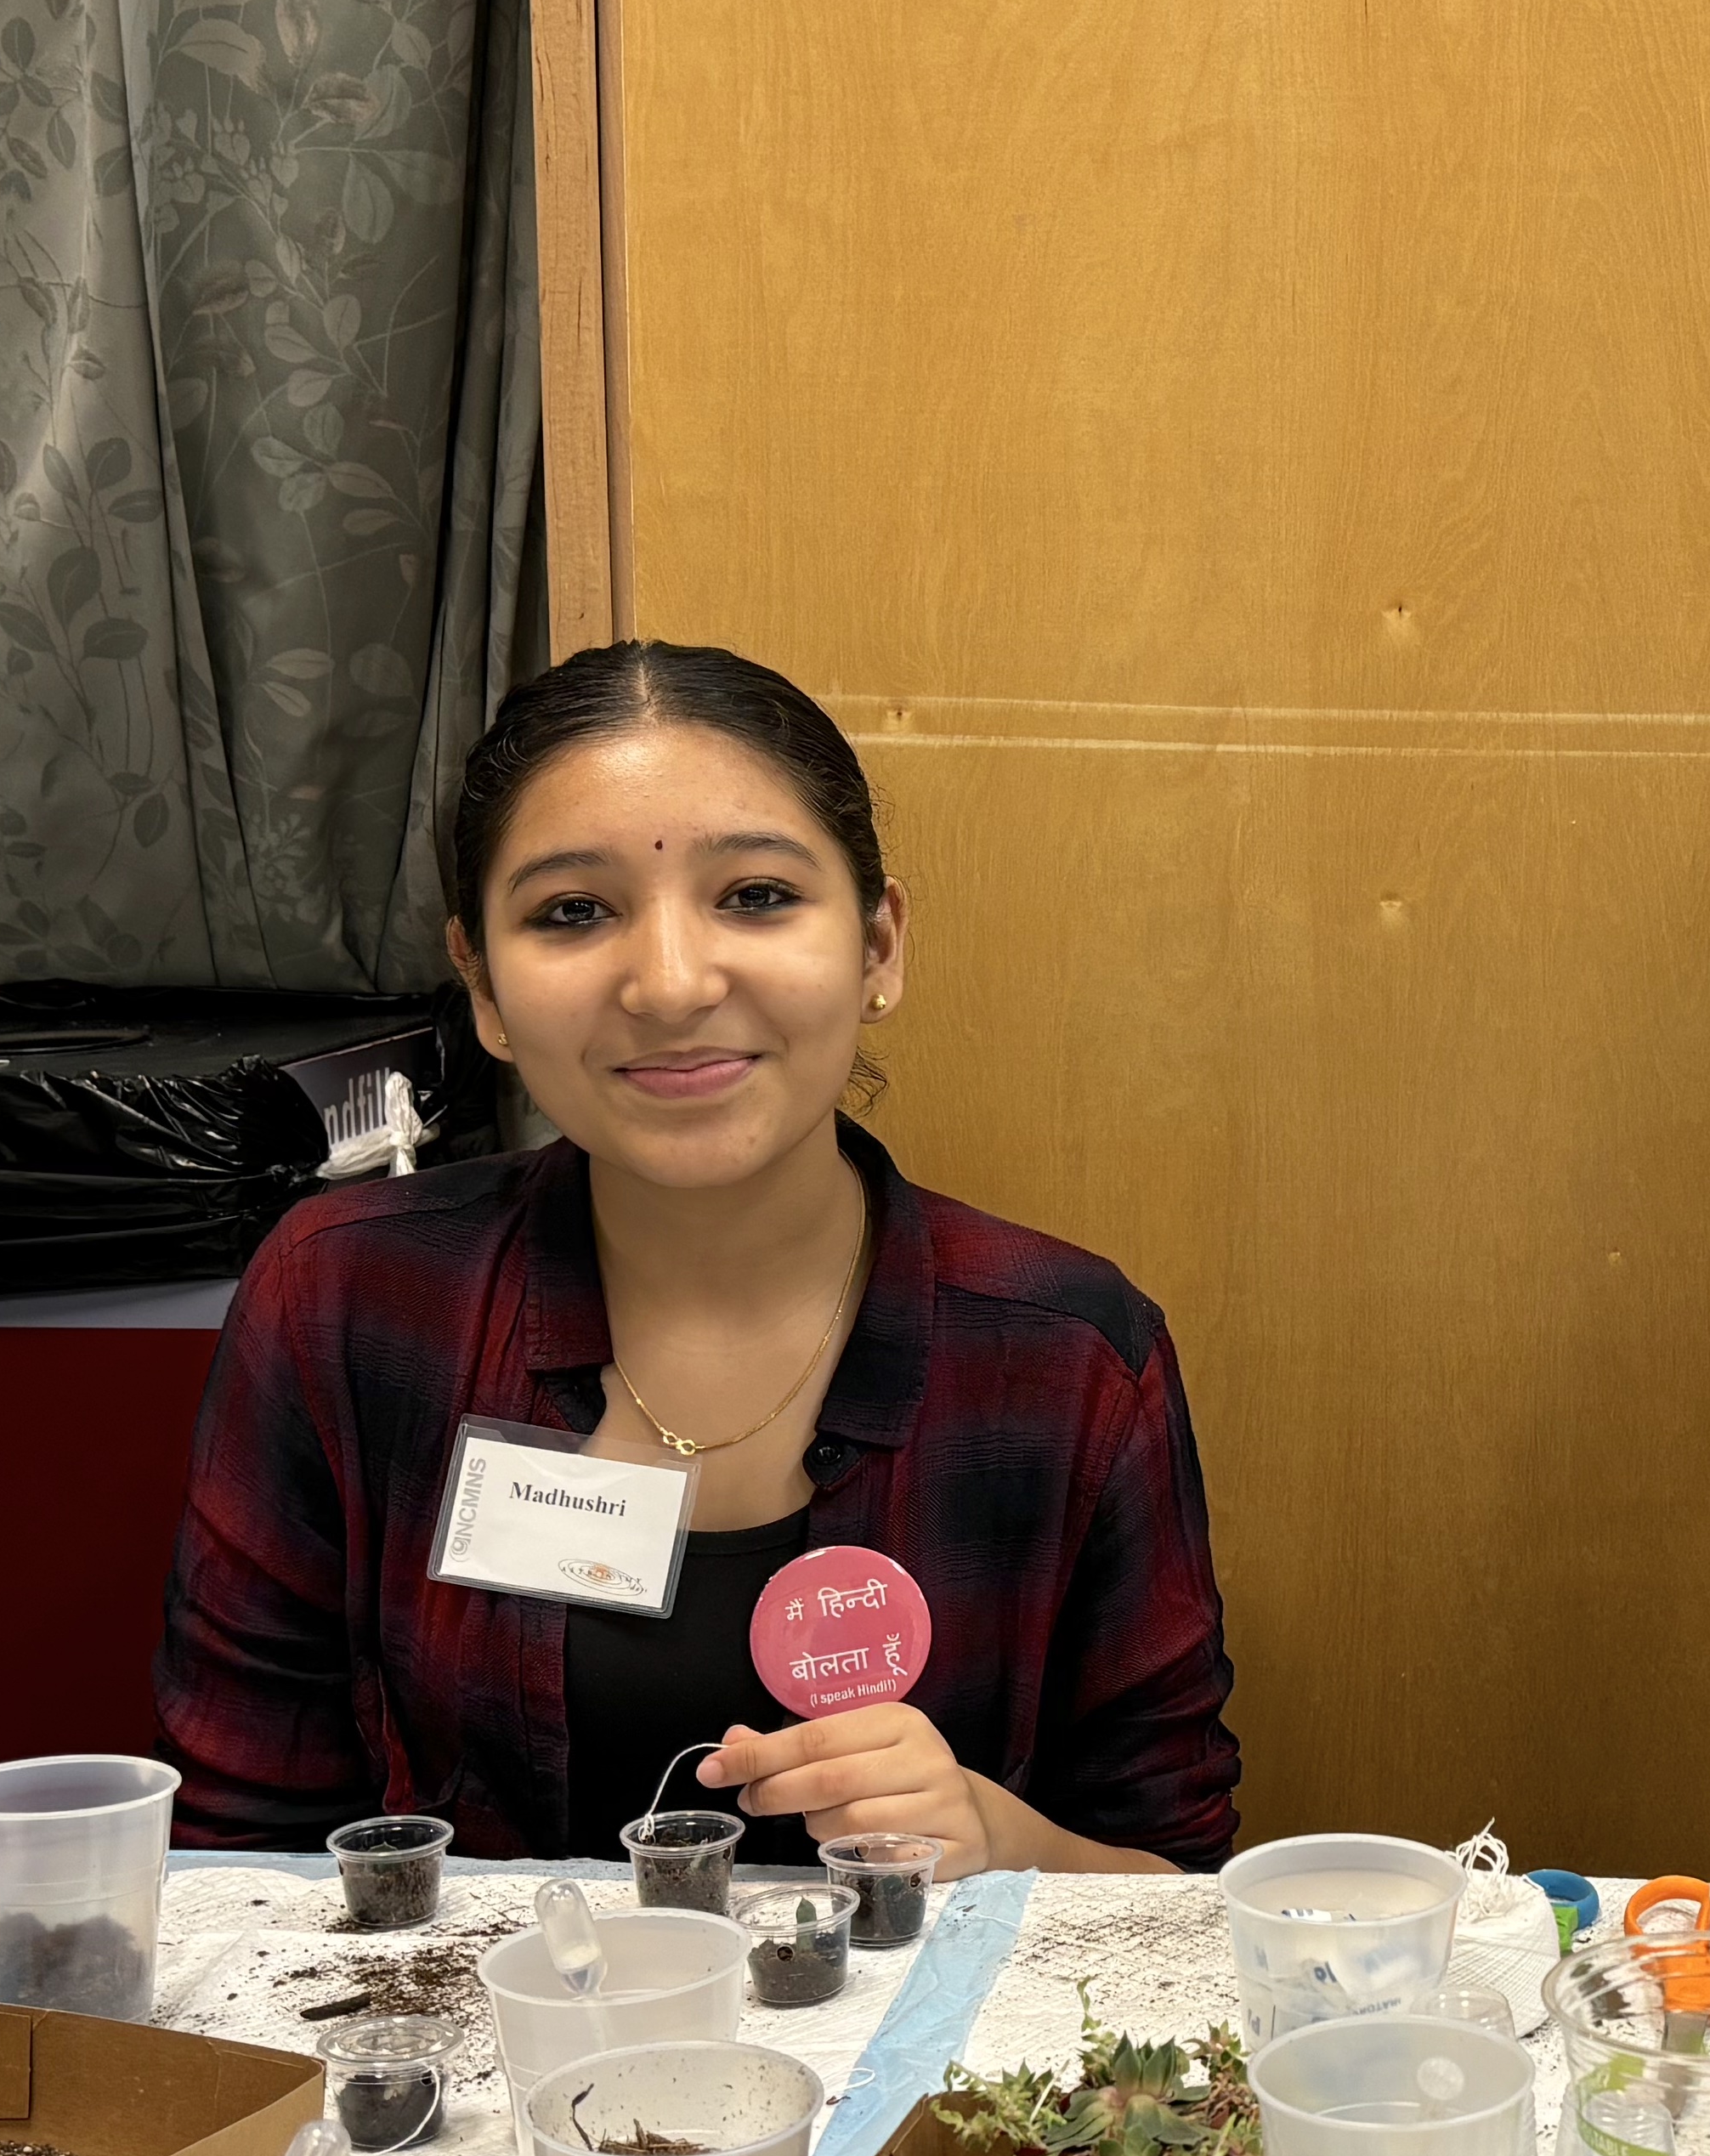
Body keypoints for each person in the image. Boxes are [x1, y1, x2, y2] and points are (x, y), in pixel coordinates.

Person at [159, 640, 1239, 1874]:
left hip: (931, 2068)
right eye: (574, 913)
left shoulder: (1069, 1354)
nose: (671, 985)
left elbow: (1181, 1896)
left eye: (758, 896)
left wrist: (1000, 1839)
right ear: (486, 991)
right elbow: (236, 1867)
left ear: (879, 947)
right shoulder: (348, 1302)